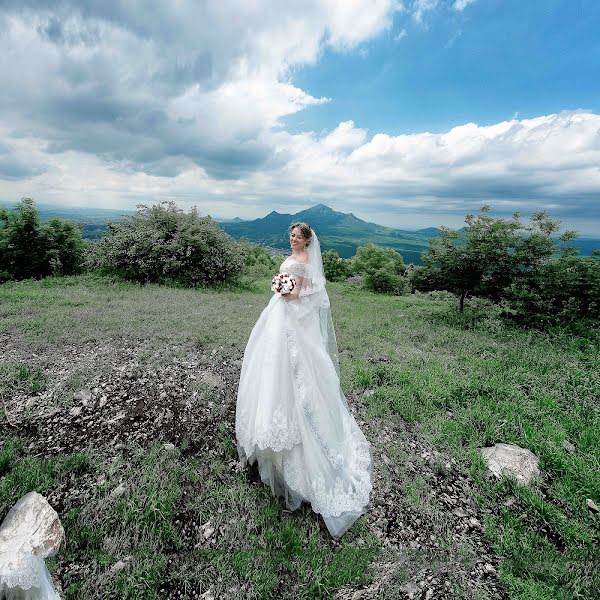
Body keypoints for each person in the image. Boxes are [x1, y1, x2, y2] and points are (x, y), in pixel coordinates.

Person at [235, 222, 372, 539]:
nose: (292, 238)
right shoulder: (299, 260)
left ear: (307, 241)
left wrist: (283, 289)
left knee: (297, 376)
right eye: (291, 235)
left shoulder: (303, 263)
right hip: (281, 316)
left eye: (297, 236)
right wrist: (281, 288)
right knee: (270, 367)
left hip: (290, 318)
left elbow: (301, 295)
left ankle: (301, 457)